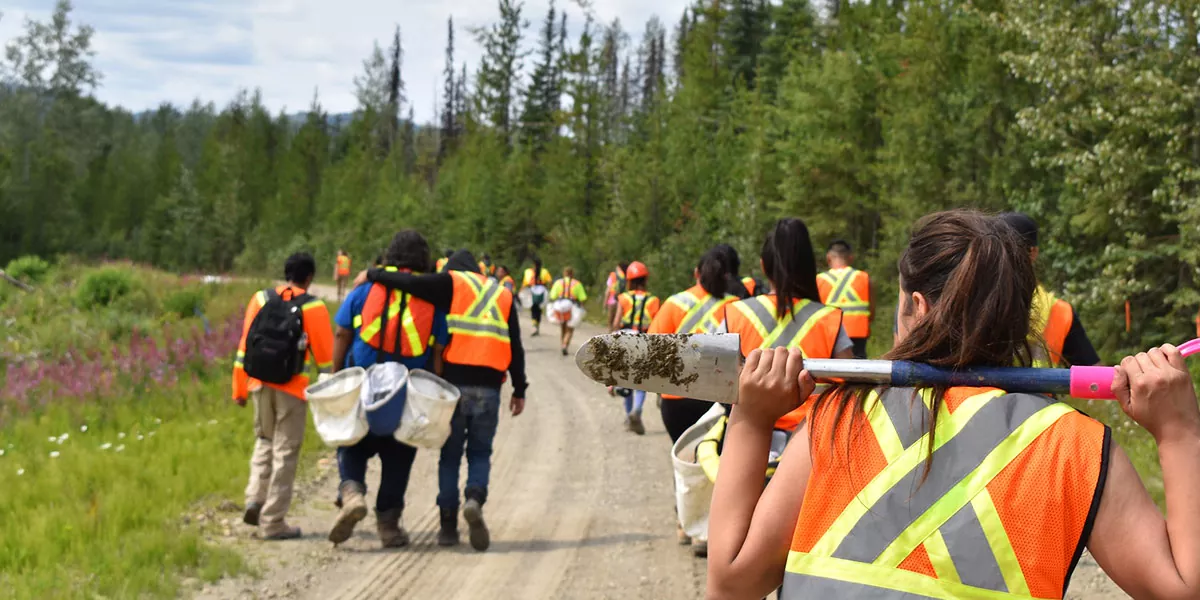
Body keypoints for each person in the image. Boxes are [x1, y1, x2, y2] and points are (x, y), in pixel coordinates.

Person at [708, 209, 1200, 600]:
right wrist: (1178, 431)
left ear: (918, 308)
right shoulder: (1076, 446)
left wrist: (751, 418)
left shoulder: (839, 418)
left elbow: (731, 585)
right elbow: (1183, 588)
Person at [361, 250, 528, 552]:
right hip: (489, 389)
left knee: (449, 457)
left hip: (452, 390)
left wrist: (374, 274)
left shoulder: (452, 283)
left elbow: (410, 283)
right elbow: (515, 345)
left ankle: (448, 528)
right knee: (479, 454)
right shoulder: (502, 294)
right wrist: (520, 389)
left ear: (453, 270)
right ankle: (475, 499)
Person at [328, 231, 448, 548]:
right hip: (405, 394)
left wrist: (335, 373)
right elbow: (438, 355)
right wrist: (433, 390)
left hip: (363, 384)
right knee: (399, 455)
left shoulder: (364, 291)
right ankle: (389, 526)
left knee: (352, 442)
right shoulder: (431, 302)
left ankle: (352, 492)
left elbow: (341, 332)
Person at [233, 252, 334, 540]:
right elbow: (325, 360)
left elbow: (245, 347)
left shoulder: (260, 299)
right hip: (292, 389)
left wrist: (239, 387)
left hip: (259, 384)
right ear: (310, 277)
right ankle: (273, 521)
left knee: (264, 440)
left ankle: (255, 498)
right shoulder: (313, 307)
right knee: (286, 452)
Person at [647, 247, 737, 548]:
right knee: (716, 462)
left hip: (677, 399)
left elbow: (652, 348)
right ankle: (708, 531)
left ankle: (684, 525)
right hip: (718, 398)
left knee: (685, 462)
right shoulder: (738, 306)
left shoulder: (675, 304)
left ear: (697, 273)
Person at [1000, 212, 1101, 367]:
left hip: (988, 392)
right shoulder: (1059, 312)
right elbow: (1095, 378)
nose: (1002, 257)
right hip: (1034, 392)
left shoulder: (1061, 314)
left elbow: (1094, 377)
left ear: (1033, 253)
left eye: (1009, 250)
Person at [609, 261, 660, 434]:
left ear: (629, 280)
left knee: (626, 379)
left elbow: (616, 322)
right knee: (641, 379)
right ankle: (637, 410)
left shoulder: (623, 298)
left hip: (625, 338)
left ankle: (628, 414)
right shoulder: (654, 300)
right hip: (643, 339)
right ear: (645, 279)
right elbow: (656, 326)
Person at [816, 239, 873, 359]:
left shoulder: (819, 280)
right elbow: (872, 312)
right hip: (858, 334)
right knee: (858, 373)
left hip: (831, 335)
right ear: (851, 258)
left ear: (828, 258)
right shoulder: (864, 277)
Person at [549, 267, 588, 356]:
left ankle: (562, 343)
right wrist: (582, 307)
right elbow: (582, 298)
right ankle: (565, 345)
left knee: (563, 327)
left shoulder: (558, 283)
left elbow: (552, 296)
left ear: (564, 273)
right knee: (570, 328)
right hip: (572, 306)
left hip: (559, 306)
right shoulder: (577, 284)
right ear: (572, 274)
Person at [521, 258, 553, 337]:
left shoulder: (528, 272)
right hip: (542, 291)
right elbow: (550, 281)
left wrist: (520, 291)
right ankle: (537, 326)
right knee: (539, 310)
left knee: (533, 309)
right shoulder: (545, 272)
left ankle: (535, 325)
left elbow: (525, 283)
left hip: (532, 291)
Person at [604, 263, 629, 329]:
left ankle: (610, 333)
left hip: (612, 299)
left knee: (610, 320)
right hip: (621, 300)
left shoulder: (613, 275)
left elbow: (608, 290)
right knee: (618, 320)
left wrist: (605, 303)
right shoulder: (626, 276)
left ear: (619, 267)